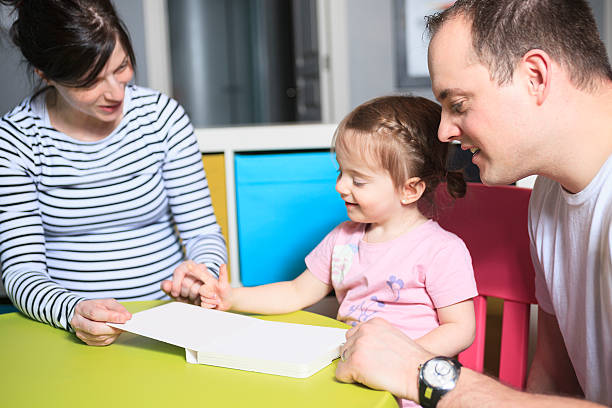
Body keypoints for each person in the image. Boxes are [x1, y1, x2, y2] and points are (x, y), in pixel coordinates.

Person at [335, 0, 612, 407]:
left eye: (459, 104)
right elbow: (555, 376)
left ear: (535, 76)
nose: (444, 131)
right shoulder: (549, 197)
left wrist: (421, 373)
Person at [176, 95, 478, 408]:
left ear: (409, 189)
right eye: (340, 173)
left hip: (406, 388)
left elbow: (460, 328)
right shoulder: (343, 239)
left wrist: (404, 358)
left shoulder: (441, 250)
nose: (341, 187)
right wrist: (232, 298)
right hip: (347, 377)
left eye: (358, 180)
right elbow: (295, 292)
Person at [0, 0, 227, 346]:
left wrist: (202, 275)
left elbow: (203, 232)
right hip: (68, 332)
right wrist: (73, 311)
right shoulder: (17, 140)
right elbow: (21, 271)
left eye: (121, 67)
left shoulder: (162, 118)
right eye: (90, 81)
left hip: (166, 323)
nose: (115, 92)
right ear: (45, 74)